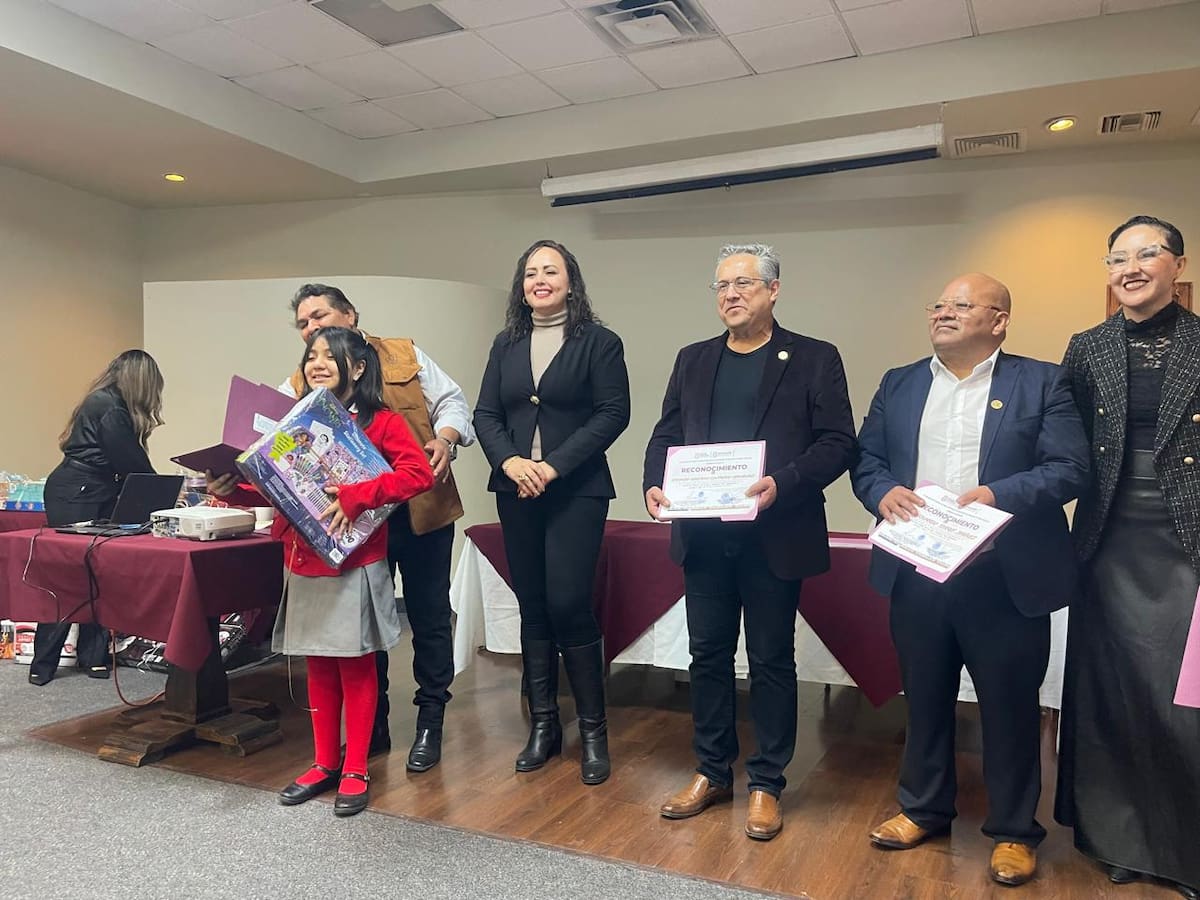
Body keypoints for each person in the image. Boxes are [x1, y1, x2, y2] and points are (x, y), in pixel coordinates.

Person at [851, 273, 1089, 886]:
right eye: (940, 304)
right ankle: (923, 808)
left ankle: (1014, 831)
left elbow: (1069, 469)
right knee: (925, 698)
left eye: (961, 305)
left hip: (1004, 574)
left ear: (999, 320)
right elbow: (867, 461)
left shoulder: (1042, 381)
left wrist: (995, 495)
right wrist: (882, 494)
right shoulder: (899, 383)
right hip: (918, 564)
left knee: (1009, 709)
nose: (944, 313)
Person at [643, 243, 856, 840]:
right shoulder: (693, 359)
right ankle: (712, 772)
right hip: (703, 537)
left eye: (743, 283)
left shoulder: (814, 358)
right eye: (720, 286)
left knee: (769, 661)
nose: (730, 295)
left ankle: (767, 782)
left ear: (773, 290)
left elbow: (839, 443)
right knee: (706, 657)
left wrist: (781, 484)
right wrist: (655, 485)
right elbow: (665, 434)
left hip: (775, 535)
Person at [210, 327, 435, 817]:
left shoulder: (382, 422)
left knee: (354, 664)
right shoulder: (295, 422)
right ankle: (323, 762)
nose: (316, 363)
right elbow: (281, 487)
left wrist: (359, 495)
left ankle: (356, 767)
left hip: (353, 560)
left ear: (356, 368)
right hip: (303, 557)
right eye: (311, 356)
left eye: (329, 357)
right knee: (317, 662)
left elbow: (420, 475)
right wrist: (232, 489)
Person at [1054, 215, 1200, 899]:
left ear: (1178, 265)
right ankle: (1122, 839)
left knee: (1184, 705)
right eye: (1118, 258)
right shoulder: (1088, 348)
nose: (1131, 267)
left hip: (1187, 546)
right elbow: (1064, 447)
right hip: (1109, 544)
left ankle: (1185, 849)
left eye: (1148, 254)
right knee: (1113, 694)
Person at [281, 283, 474, 772]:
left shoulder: (404, 353)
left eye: (321, 316)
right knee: (366, 624)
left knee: (430, 617)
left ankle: (430, 721)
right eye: (304, 324)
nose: (313, 329)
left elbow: (452, 401)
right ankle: (376, 729)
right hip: (358, 528)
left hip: (421, 509)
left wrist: (446, 438)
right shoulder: (302, 380)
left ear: (350, 314)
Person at [473, 239, 630, 785]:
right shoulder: (506, 342)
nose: (540, 280)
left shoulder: (600, 342)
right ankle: (543, 725)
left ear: (570, 281)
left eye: (551, 271)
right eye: (531, 273)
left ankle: (592, 731)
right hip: (514, 488)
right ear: (521, 285)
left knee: (569, 603)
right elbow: (486, 413)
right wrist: (513, 463)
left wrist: (553, 466)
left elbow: (614, 413)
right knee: (533, 605)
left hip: (577, 490)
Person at [29, 349, 164, 686]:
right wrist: (166, 495)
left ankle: (94, 656)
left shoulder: (105, 401)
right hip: (78, 492)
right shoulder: (108, 407)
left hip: (92, 489)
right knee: (68, 577)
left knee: (99, 575)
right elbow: (132, 463)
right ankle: (44, 661)